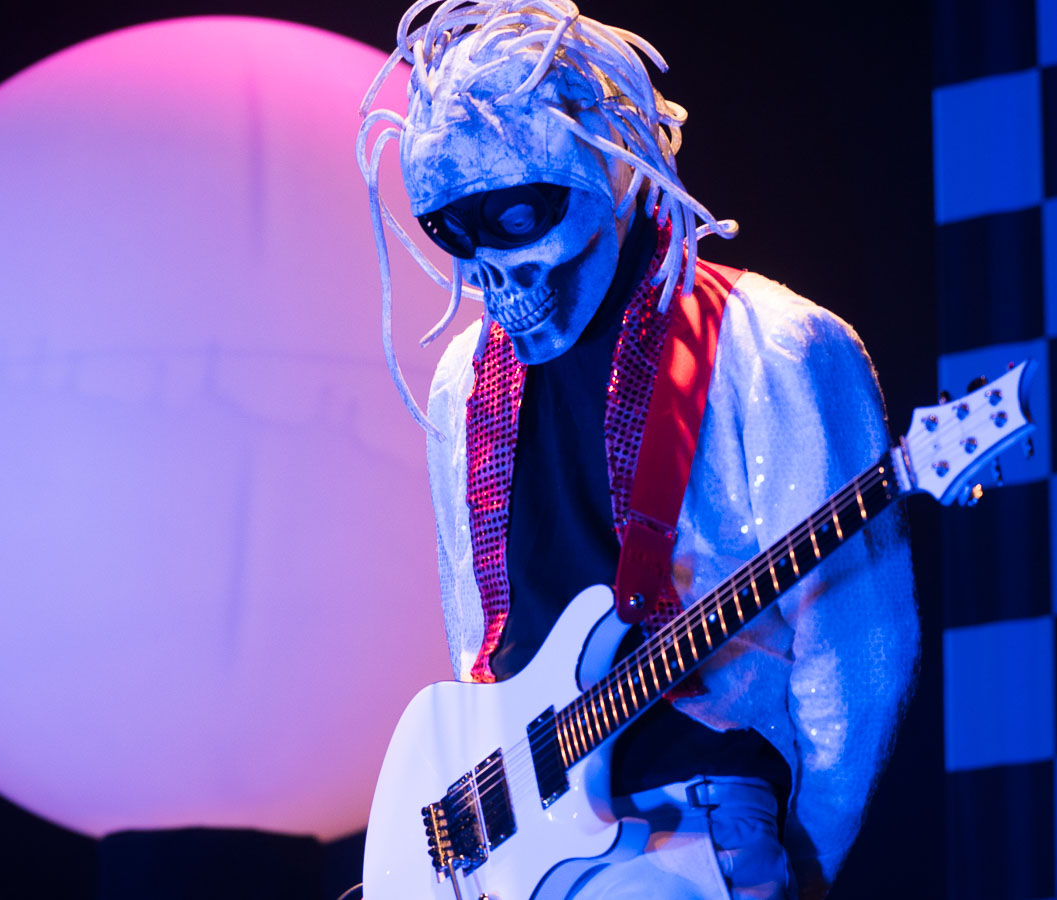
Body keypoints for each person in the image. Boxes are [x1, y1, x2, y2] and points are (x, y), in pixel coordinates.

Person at [358, 3, 919, 897]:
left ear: (615, 165)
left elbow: (859, 653)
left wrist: (792, 857)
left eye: (518, 215)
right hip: (522, 847)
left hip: (689, 823)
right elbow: (478, 641)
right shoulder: (462, 383)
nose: (491, 270)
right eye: (453, 230)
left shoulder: (773, 344)